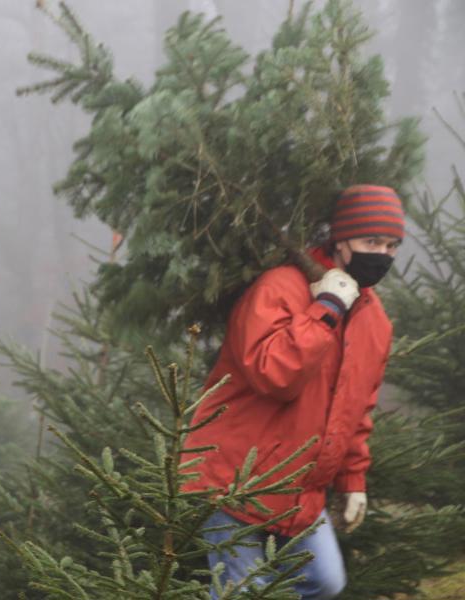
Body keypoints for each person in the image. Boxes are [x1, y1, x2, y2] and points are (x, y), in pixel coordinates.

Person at [183, 185, 405, 599]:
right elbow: (274, 374)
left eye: (392, 245)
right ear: (340, 240)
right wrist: (327, 309)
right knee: (245, 593)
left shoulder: (375, 320)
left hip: (299, 495)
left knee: (325, 582)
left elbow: (358, 410)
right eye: (371, 241)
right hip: (235, 481)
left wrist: (353, 480)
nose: (383, 254)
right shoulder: (279, 287)